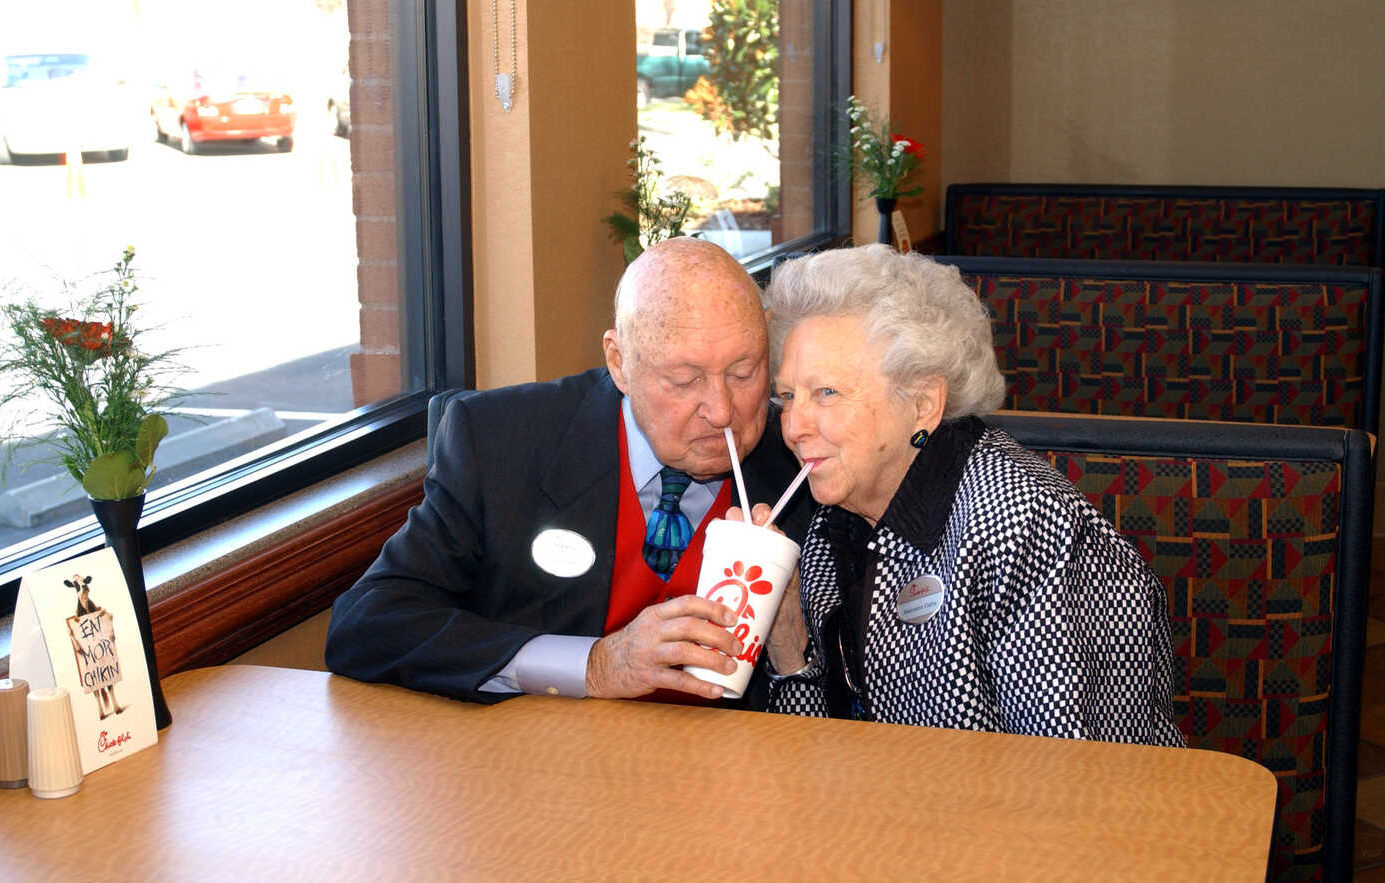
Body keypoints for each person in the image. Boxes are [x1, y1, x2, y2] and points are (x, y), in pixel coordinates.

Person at [326, 238, 812, 707]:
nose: (723, 411)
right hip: (548, 767)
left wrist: (791, 651)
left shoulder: (804, 463)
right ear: (619, 363)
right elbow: (367, 624)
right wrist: (595, 666)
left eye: (744, 372)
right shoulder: (503, 443)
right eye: (685, 381)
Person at [755, 245, 1183, 744]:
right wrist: (787, 634)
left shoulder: (1027, 526)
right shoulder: (835, 519)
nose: (794, 427)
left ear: (922, 404)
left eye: (826, 393)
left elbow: (1061, 777)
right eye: (788, 397)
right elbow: (815, 753)